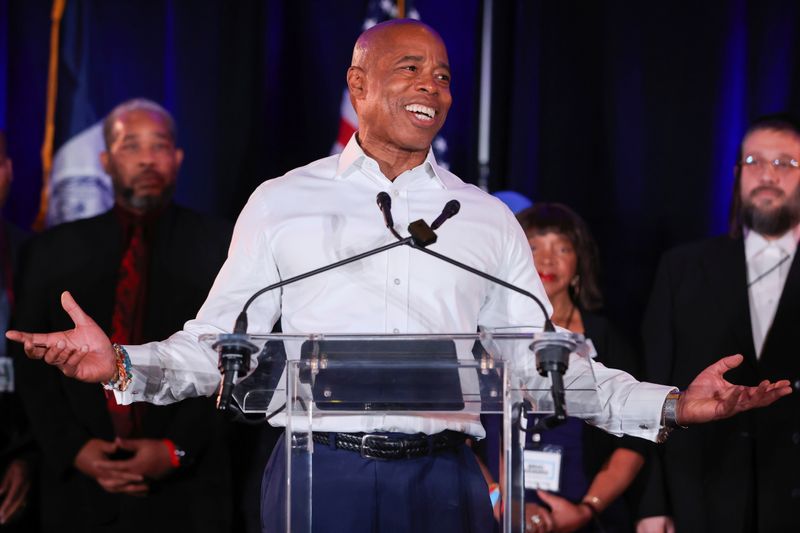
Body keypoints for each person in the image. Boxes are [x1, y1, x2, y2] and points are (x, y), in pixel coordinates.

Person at [6, 21, 791, 533]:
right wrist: (122, 364)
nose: (432, 87)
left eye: (445, 75)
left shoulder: (481, 219)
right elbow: (218, 346)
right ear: (357, 85)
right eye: (410, 67)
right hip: (320, 476)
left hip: (450, 484)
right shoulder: (284, 203)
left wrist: (674, 404)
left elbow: (547, 364)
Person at [9, 99, 234, 533]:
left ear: (178, 158)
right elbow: (30, 362)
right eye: (131, 146)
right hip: (78, 492)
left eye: (160, 145)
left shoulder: (224, 245)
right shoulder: (50, 251)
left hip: (192, 491)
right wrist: (74, 449)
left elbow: (236, 357)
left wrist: (177, 449)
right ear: (106, 161)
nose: (148, 158)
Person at [637, 114, 800, 533]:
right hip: (703, 497)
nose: (767, 175)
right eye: (753, 161)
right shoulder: (682, 268)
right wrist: (653, 503)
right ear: (736, 175)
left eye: (785, 163)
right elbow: (652, 387)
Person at [513, 203, 648, 532]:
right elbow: (470, 435)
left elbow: (636, 437)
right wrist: (500, 499)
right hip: (502, 513)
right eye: (534, 247)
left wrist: (589, 509)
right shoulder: (491, 333)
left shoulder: (606, 336)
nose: (547, 260)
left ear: (578, 265)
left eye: (562, 248)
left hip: (587, 515)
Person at [0, 132, 36, 532]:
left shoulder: (34, 256)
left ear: (8, 172)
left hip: (14, 459)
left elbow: (48, 380)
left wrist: (29, 458)